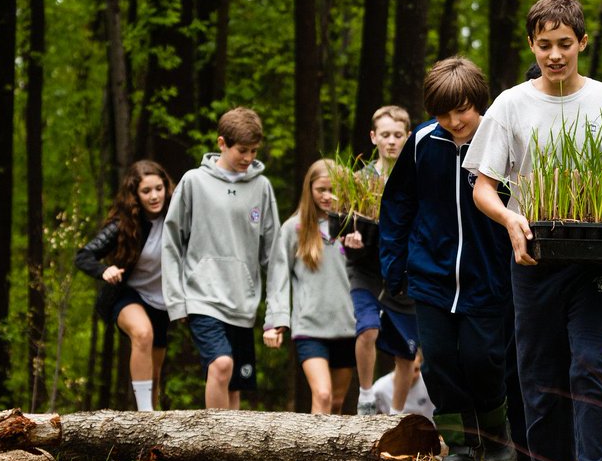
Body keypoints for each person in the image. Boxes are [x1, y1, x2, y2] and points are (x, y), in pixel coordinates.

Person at [464, 0, 602, 461]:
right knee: (540, 382)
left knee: (592, 365)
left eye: (565, 44)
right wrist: (510, 219)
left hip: (594, 262)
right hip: (534, 262)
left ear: (583, 42)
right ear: (532, 46)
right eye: (545, 45)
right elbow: (483, 186)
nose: (555, 54)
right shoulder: (511, 106)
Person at [380, 57, 517, 461]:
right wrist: (394, 265)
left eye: (462, 110)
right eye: (443, 113)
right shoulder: (422, 141)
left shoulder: (502, 140)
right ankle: (460, 450)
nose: (455, 121)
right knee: (437, 362)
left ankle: (495, 437)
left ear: (479, 102)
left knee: (483, 359)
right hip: (431, 275)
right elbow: (398, 204)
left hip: (488, 275)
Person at [162, 106, 279, 410]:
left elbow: (274, 255)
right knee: (222, 364)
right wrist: (176, 300)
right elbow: (172, 243)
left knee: (235, 385)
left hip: (242, 301)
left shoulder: (261, 187)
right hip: (202, 297)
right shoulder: (193, 182)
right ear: (222, 143)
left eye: (254, 151)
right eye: (242, 150)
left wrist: (276, 315)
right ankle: (212, 438)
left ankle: (230, 441)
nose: (248, 157)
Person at [76, 160, 174, 411]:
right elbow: (84, 255)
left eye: (159, 188)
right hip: (129, 294)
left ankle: (151, 420)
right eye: (146, 191)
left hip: (162, 302)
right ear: (135, 195)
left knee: (155, 372)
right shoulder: (124, 224)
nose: (154, 196)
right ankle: (144, 414)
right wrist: (104, 270)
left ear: (166, 187)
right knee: (142, 333)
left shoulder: (177, 217)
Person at [263, 160, 356, 414]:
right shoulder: (293, 229)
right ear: (310, 189)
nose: (327, 196)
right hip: (310, 326)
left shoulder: (353, 226)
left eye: (333, 190)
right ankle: (313, 443)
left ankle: (330, 444)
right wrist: (276, 322)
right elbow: (278, 278)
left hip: (347, 325)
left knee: (336, 402)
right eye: (321, 190)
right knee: (323, 395)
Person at [349, 105, 415, 415]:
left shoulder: (416, 176)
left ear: (408, 136)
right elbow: (343, 227)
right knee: (368, 329)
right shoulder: (358, 180)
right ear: (373, 137)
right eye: (385, 135)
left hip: (403, 272)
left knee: (406, 350)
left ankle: (397, 414)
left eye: (398, 135)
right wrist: (350, 241)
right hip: (366, 269)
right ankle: (365, 396)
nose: (391, 141)